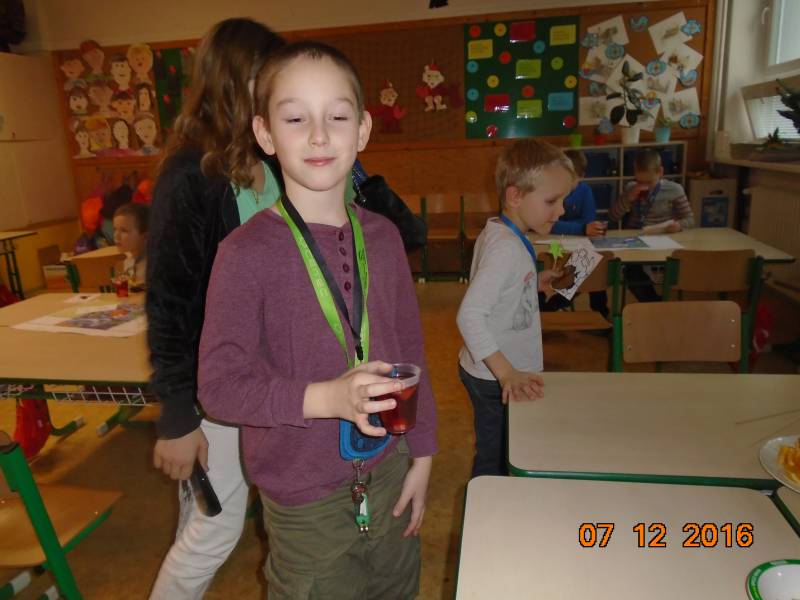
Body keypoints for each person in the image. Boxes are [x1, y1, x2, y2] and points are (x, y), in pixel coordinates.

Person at [198, 41, 437, 599]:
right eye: (295, 118)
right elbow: (218, 388)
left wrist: (423, 453)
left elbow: (412, 352)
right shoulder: (244, 253)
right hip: (303, 498)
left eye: (337, 116)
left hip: (391, 469)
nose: (319, 136)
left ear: (363, 129)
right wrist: (326, 399)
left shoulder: (384, 237)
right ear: (264, 135)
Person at [146, 18, 286, 600]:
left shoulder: (268, 160)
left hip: (267, 370)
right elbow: (169, 302)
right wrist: (179, 419)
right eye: (268, 77)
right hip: (219, 380)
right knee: (217, 526)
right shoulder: (190, 173)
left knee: (203, 515)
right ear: (234, 79)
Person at [456, 139, 574, 477]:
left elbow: (499, 290)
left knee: (511, 445)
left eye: (563, 201)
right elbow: (469, 315)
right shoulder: (505, 248)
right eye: (552, 201)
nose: (561, 211)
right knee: (496, 456)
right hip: (495, 376)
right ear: (515, 196)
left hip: (498, 370)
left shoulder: (500, 231)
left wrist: (533, 281)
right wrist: (506, 373)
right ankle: (487, 501)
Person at [608, 148, 694, 302]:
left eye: (649, 182)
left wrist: (679, 225)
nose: (645, 186)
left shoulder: (674, 190)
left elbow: (689, 219)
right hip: (634, 241)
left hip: (662, 240)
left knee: (673, 265)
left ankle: (655, 305)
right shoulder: (630, 188)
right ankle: (654, 303)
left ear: (660, 172)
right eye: (640, 181)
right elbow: (613, 216)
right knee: (631, 273)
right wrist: (628, 198)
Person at [544, 149, 608, 316]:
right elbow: (548, 223)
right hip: (555, 248)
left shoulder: (585, 191)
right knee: (566, 271)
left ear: (582, 176)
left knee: (594, 263)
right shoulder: (552, 191)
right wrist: (580, 228)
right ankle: (549, 306)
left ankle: (600, 312)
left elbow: (589, 222)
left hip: (579, 248)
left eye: (570, 178)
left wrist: (568, 226)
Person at [113, 202, 148, 288]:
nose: (116, 236)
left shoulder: (155, 266)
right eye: (115, 229)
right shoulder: (128, 262)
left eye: (124, 230)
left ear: (145, 235)